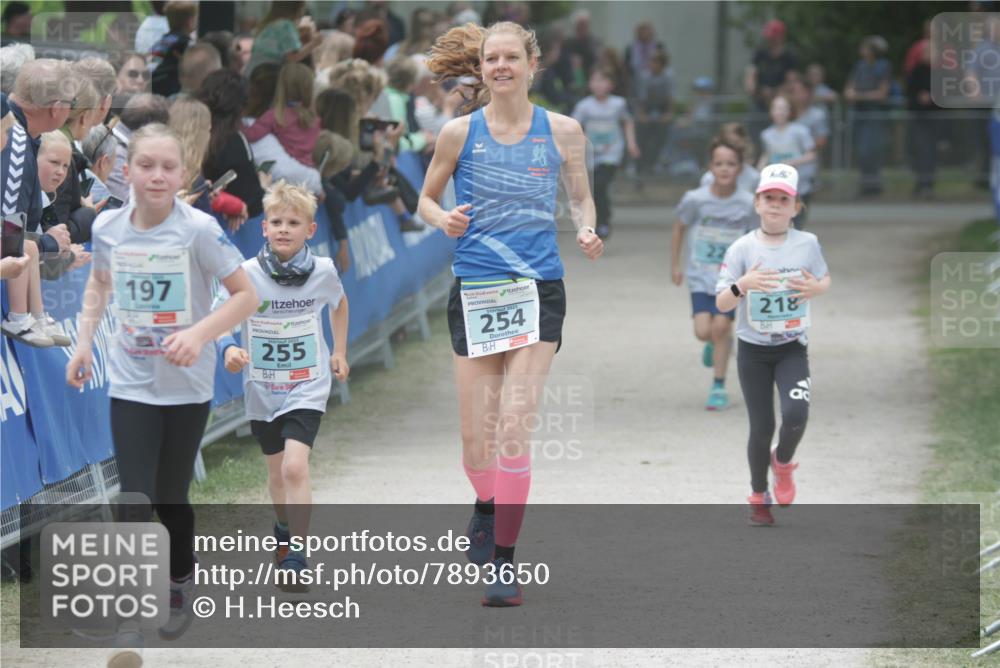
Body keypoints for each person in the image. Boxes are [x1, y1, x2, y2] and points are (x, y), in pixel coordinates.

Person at [421, 21, 603, 607]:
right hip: (476, 290)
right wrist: (441, 219)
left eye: (510, 58)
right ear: (481, 68)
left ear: (531, 63)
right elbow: (426, 198)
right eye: (490, 59)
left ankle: (504, 562)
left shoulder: (564, 131)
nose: (501, 67)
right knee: (477, 445)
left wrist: (587, 227)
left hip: (537, 288)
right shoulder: (456, 133)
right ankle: (484, 504)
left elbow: (579, 193)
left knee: (515, 429)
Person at [65, 123, 257, 664]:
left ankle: (178, 581)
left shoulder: (198, 230)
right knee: (135, 498)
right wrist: (83, 344)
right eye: (145, 164)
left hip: (187, 387)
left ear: (182, 174)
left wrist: (199, 334)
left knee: (172, 499)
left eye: (167, 167)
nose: (155, 175)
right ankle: (130, 620)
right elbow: (100, 283)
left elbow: (246, 296)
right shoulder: (107, 226)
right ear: (127, 169)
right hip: (131, 381)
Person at [220, 180, 349, 579]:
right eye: (276, 221)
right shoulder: (246, 274)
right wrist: (228, 349)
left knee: (295, 467)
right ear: (263, 227)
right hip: (262, 388)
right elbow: (221, 315)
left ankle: (297, 554)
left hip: (307, 383)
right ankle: (282, 528)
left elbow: (339, 304)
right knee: (277, 473)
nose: (283, 229)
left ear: (310, 230)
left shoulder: (323, 271)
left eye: (293, 222)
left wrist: (338, 350)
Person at [715, 163, 831, 526]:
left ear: (796, 207)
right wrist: (743, 285)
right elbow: (722, 302)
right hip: (753, 350)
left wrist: (816, 289)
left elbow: (824, 278)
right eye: (769, 198)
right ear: (757, 203)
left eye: (784, 199)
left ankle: (782, 462)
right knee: (761, 426)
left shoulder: (807, 243)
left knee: (796, 415)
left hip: (792, 346)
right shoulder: (742, 248)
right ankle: (757, 495)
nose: (776, 205)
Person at [671, 137, 756, 410]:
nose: (724, 169)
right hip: (700, 276)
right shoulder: (695, 199)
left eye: (731, 164)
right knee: (703, 331)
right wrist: (675, 265)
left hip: (731, 279)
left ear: (740, 169)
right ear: (710, 166)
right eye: (719, 163)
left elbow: (757, 238)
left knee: (721, 326)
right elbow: (679, 228)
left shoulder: (747, 203)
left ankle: (718, 386)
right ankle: (716, 343)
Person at [571, 68, 639, 240]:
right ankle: (600, 220)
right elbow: (574, 126)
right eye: (595, 80)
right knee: (596, 188)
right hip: (592, 152)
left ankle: (603, 221)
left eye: (603, 80)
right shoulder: (584, 105)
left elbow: (627, 122)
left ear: (611, 85)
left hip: (612, 151)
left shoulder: (619, 104)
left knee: (601, 184)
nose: (599, 85)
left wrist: (631, 143)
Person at [196, 69, 265, 218]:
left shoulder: (186, 130)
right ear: (241, 108)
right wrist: (263, 186)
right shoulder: (235, 142)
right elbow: (252, 201)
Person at [242, 62, 320, 167]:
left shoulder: (275, 116)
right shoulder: (316, 120)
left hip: (282, 174)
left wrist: (238, 122)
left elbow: (249, 136)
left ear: (280, 86)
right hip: (307, 171)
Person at [757, 95, 815, 229]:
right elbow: (767, 154)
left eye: (783, 108)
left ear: (790, 111)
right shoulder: (766, 134)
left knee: (797, 222)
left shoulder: (801, 131)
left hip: (800, 185)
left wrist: (795, 162)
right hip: (777, 185)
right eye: (776, 108)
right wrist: (759, 170)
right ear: (771, 111)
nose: (780, 112)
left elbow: (812, 154)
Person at [844, 36, 891, 196]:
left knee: (873, 149)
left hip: (874, 114)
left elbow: (882, 93)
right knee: (862, 150)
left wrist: (860, 95)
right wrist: (856, 94)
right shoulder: (860, 67)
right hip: (860, 114)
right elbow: (849, 90)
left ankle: (874, 184)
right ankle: (865, 184)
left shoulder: (883, 66)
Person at [245, 1, 323, 76]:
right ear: (296, 7)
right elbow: (292, 58)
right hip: (267, 75)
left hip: (253, 73)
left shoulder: (268, 24)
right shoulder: (286, 25)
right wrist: (314, 43)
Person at [150, 1, 198, 98]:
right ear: (190, 21)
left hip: (156, 90)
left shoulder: (161, 42)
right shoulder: (186, 45)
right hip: (173, 92)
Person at [700, 122, 759, 193]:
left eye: (736, 143)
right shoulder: (708, 179)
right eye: (727, 143)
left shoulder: (755, 178)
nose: (732, 147)